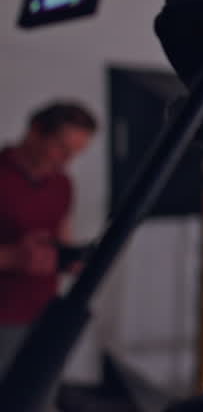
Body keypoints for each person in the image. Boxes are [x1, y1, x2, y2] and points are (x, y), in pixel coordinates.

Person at [0, 101, 97, 376]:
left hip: (44, 313)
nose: (66, 160)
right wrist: (12, 257)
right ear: (35, 131)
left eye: (75, 153)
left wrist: (72, 259)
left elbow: (61, 233)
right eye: (61, 148)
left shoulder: (62, 183)